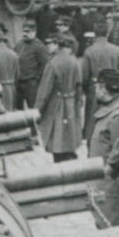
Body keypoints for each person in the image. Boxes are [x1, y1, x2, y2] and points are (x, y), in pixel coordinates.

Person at [85, 67, 119, 226]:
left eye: (97, 87)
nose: (96, 91)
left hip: (112, 188)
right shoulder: (112, 110)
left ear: (103, 88)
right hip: (103, 183)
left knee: (110, 227)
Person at [35, 32, 84, 162]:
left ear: (57, 45)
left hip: (56, 104)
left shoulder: (53, 63)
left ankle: (60, 160)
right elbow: (79, 85)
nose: (48, 46)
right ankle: (70, 155)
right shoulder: (74, 61)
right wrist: (77, 102)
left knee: (57, 135)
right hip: (71, 101)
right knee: (69, 134)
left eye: (51, 43)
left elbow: (44, 90)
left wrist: (37, 110)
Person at [80, 24, 119, 133]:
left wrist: (88, 88)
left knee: (92, 118)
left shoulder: (89, 51)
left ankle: (91, 140)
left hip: (95, 86)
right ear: (108, 33)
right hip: (113, 87)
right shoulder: (117, 50)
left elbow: (84, 75)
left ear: (95, 34)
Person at [14, 18, 49, 109]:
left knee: (33, 108)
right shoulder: (19, 44)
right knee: (17, 109)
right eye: (24, 31)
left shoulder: (39, 47)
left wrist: (36, 78)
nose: (25, 34)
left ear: (34, 32)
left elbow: (45, 65)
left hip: (31, 83)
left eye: (28, 32)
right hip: (19, 82)